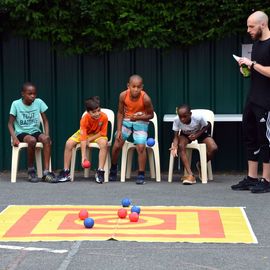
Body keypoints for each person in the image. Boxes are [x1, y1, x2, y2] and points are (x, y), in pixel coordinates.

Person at [231, 11, 270, 193]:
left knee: (266, 140)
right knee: (250, 137)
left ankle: (267, 180)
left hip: (267, 101)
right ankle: (252, 178)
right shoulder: (256, 45)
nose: (248, 30)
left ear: (262, 25)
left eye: (251, 26)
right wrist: (246, 68)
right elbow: (257, 71)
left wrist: (253, 64)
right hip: (252, 98)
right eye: (248, 26)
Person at [8, 82, 58, 183]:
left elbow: (45, 121)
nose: (32, 96)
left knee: (46, 139)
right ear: (23, 94)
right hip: (21, 133)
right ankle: (31, 170)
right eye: (29, 94)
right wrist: (14, 138)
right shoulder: (16, 104)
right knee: (31, 140)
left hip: (35, 130)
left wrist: (47, 135)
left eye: (34, 94)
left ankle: (46, 173)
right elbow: (10, 124)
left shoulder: (39, 102)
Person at [109, 74, 154, 184]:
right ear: (128, 86)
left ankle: (141, 174)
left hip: (141, 122)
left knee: (141, 146)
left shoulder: (146, 98)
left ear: (142, 87)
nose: (136, 89)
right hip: (126, 122)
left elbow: (151, 115)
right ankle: (114, 169)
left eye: (138, 87)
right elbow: (120, 113)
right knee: (116, 145)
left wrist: (139, 117)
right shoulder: (123, 95)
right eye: (133, 86)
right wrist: (119, 130)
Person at [57, 96, 108, 184]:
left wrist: (90, 139)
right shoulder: (84, 119)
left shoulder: (104, 117)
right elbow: (83, 138)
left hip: (97, 135)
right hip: (84, 134)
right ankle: (66, 172)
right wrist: (83, 157)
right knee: (68, 143)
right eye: (94, 112)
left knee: (104, 143)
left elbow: (102, 133)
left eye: (98, 110)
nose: (97, 113)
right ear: (88, 112)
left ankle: (100, 172)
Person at [170, 104, 218, 185]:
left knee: (214, 148)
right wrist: (175, 146)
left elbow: (208, 125)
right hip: (185, 135)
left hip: (200, 133)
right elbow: (175, 136)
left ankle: (200, 164)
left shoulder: (198, 117)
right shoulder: (176, 120)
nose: (182, 119)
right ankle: (190, 175)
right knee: (181, 145)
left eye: (184, 116)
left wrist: (197, 135)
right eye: (180, 116)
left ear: (190, 114)